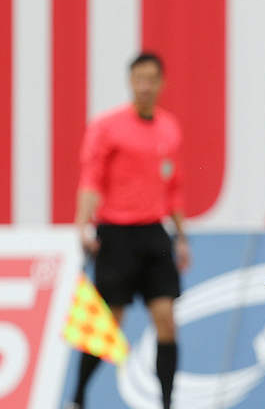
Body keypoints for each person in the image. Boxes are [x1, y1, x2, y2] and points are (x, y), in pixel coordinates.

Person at [68, 53, 188, 409]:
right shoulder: (107, 126)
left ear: (161, 83)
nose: (146, 86)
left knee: (166, 320)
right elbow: (90, 179)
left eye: (152, 79)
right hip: (116, 233)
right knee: (109, 324)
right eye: (139, 79)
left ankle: (167, 402)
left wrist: (181, 236)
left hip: (154, 233)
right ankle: (78, 396)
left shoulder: (169, 127)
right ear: (130, 81)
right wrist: (82, 224)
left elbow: (174, 187)